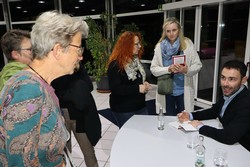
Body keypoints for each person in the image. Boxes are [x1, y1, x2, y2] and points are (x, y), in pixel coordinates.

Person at [0, 10, 89, 166]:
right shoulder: (27, 90)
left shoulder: (40, 84)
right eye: (79, 48)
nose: (81, 56)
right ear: (58, 50)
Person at [178, 60, 250, 151]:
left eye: (231, 79)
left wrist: (201, 126)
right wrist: (190, 115)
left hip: (244, 152)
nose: (225, 84)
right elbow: (214, 111)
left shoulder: (246, 103)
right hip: (233, 147)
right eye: (223, 78)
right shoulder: (232, 92)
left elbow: (229, 137)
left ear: (243, 80)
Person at [51, 62, 101, 167]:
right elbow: (88, 86)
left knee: (72, 154)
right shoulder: (59, 65)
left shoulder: (73, 64)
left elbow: (89, 86)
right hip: (67, 114)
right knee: (79, 153)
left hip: (73, 114)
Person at [150, 17, 202, 116]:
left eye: (174, 30)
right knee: (169, 120)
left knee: (184, 119)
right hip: (167, 91)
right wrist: (168, 69)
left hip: (184, 91)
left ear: (179, 30)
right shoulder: (159, 47)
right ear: (165, 32)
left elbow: (198, 65)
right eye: (168, 31)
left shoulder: (187, 44)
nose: (171, 33)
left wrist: (187, 70)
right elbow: (153, 69)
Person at [107, 31, 151, 128]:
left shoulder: (136, 61)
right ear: (127, 46)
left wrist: (145, 83)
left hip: (140, 105)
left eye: (139, 43)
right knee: (130, 138)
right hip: (124, 109)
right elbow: (116, 89)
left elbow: (140, 79)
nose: (139, 46)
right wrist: (138, 88)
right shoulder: (115, 65)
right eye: (136, 44)